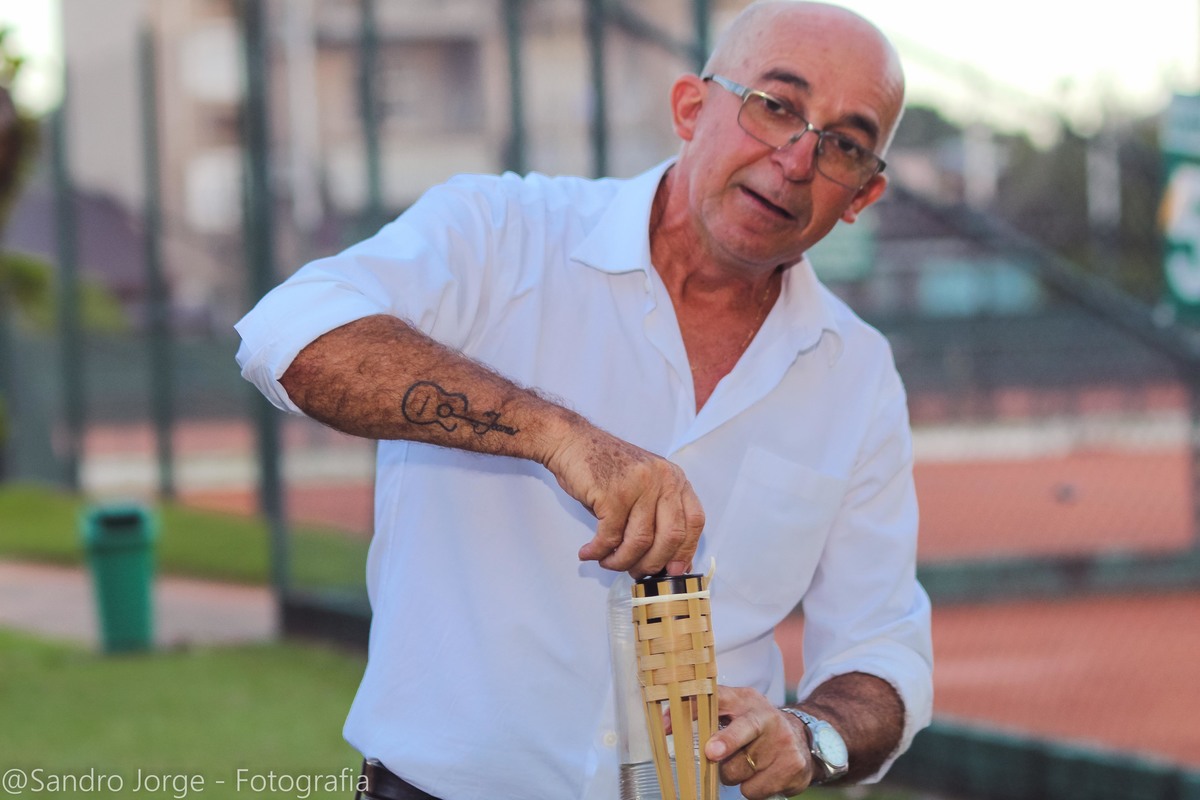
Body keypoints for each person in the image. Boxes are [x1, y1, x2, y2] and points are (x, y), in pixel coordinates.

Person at [236, 1, 932, 797]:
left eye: (845, 144)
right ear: (690, 107)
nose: (799, 158)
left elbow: (883, 650)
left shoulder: (857, 373)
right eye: (775, 105)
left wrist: (811, 737)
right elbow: (289, 334)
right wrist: (557, 436)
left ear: (862, 195)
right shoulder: (503, 232)